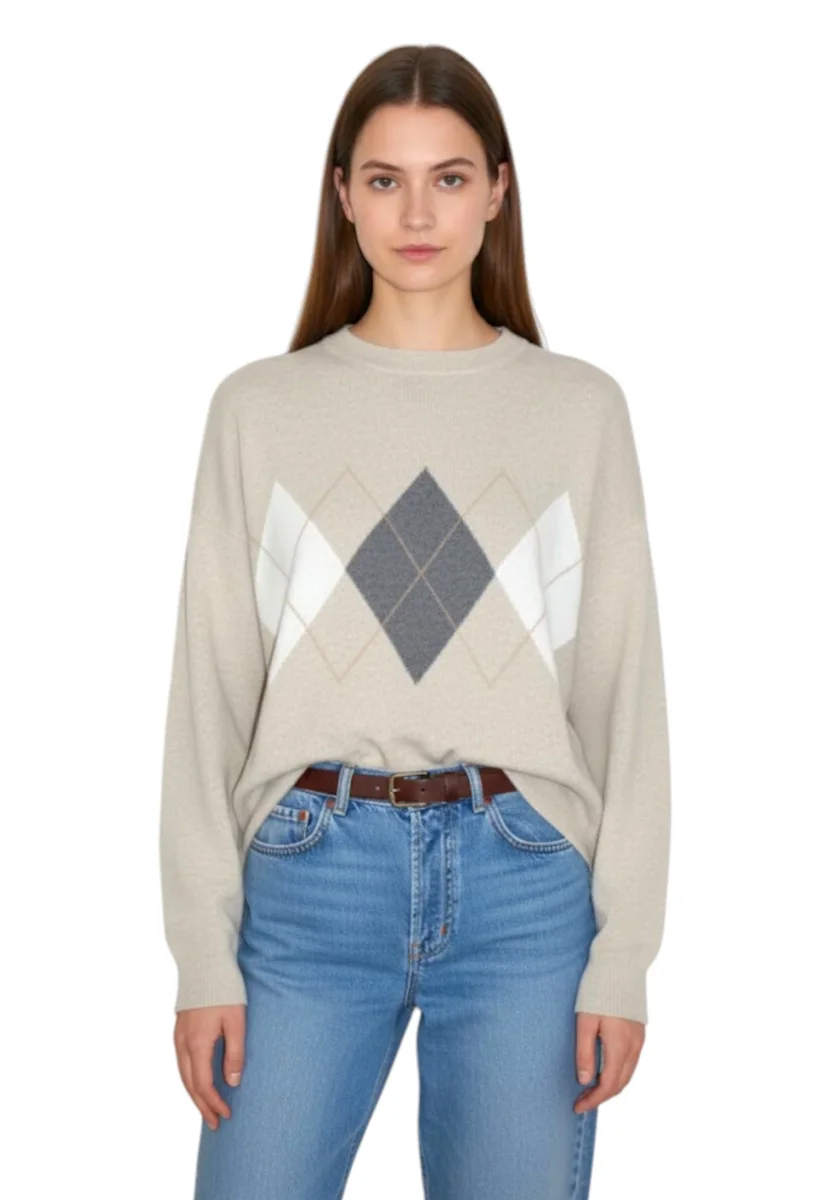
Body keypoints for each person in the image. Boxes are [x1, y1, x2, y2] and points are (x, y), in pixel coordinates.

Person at [159, 42, 671, 1200]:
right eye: (385, 179)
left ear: (497, 190)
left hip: (523, 884)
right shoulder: (259, 411)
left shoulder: (576, 411)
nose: (418, 213)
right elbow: (209, 697)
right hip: (308, 877)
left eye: (449, 177)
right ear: (343, 194)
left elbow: (622, 697)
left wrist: (623, 959)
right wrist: (201, 953)